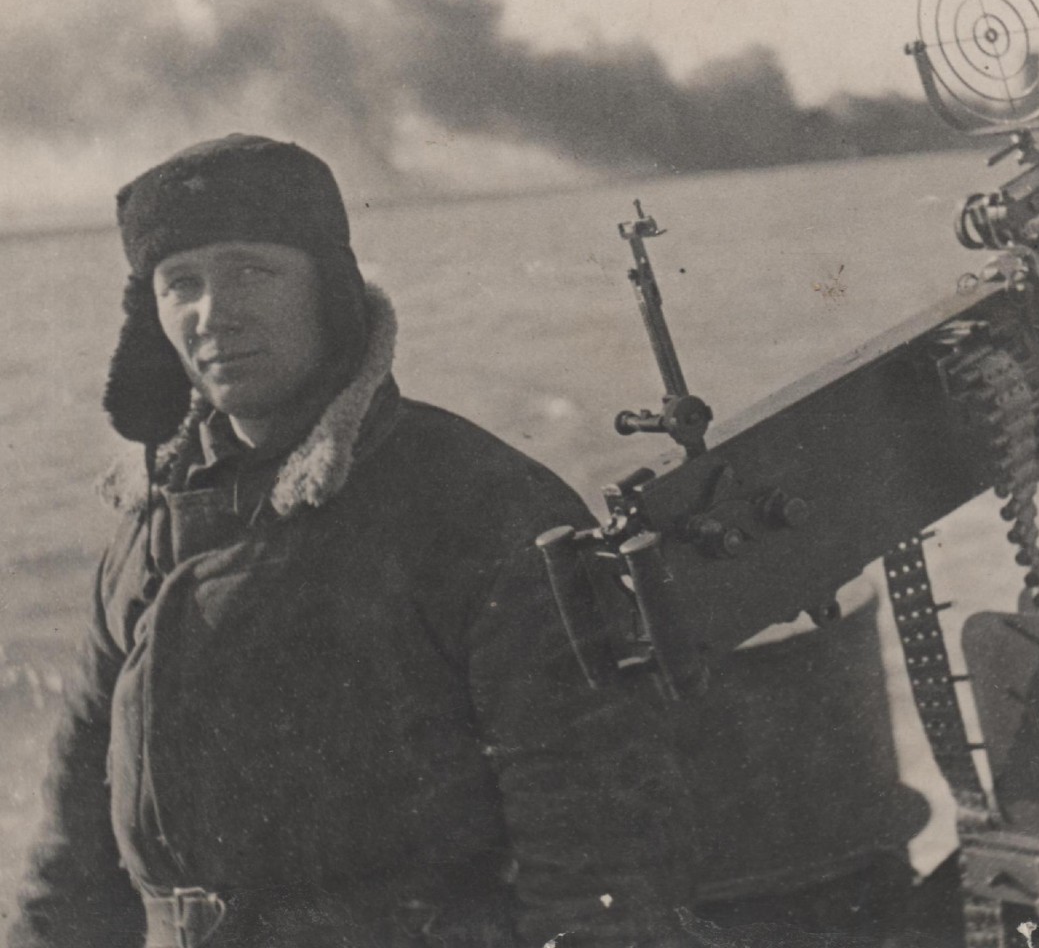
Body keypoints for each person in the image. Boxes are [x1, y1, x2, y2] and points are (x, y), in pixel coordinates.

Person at [10, 134, 695, 948]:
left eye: (252, 271)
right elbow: (71, 865)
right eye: (180, 283)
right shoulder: (144, 532)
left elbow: (596, 852)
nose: (212, 313)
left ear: (330, 289)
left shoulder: (478, 504)